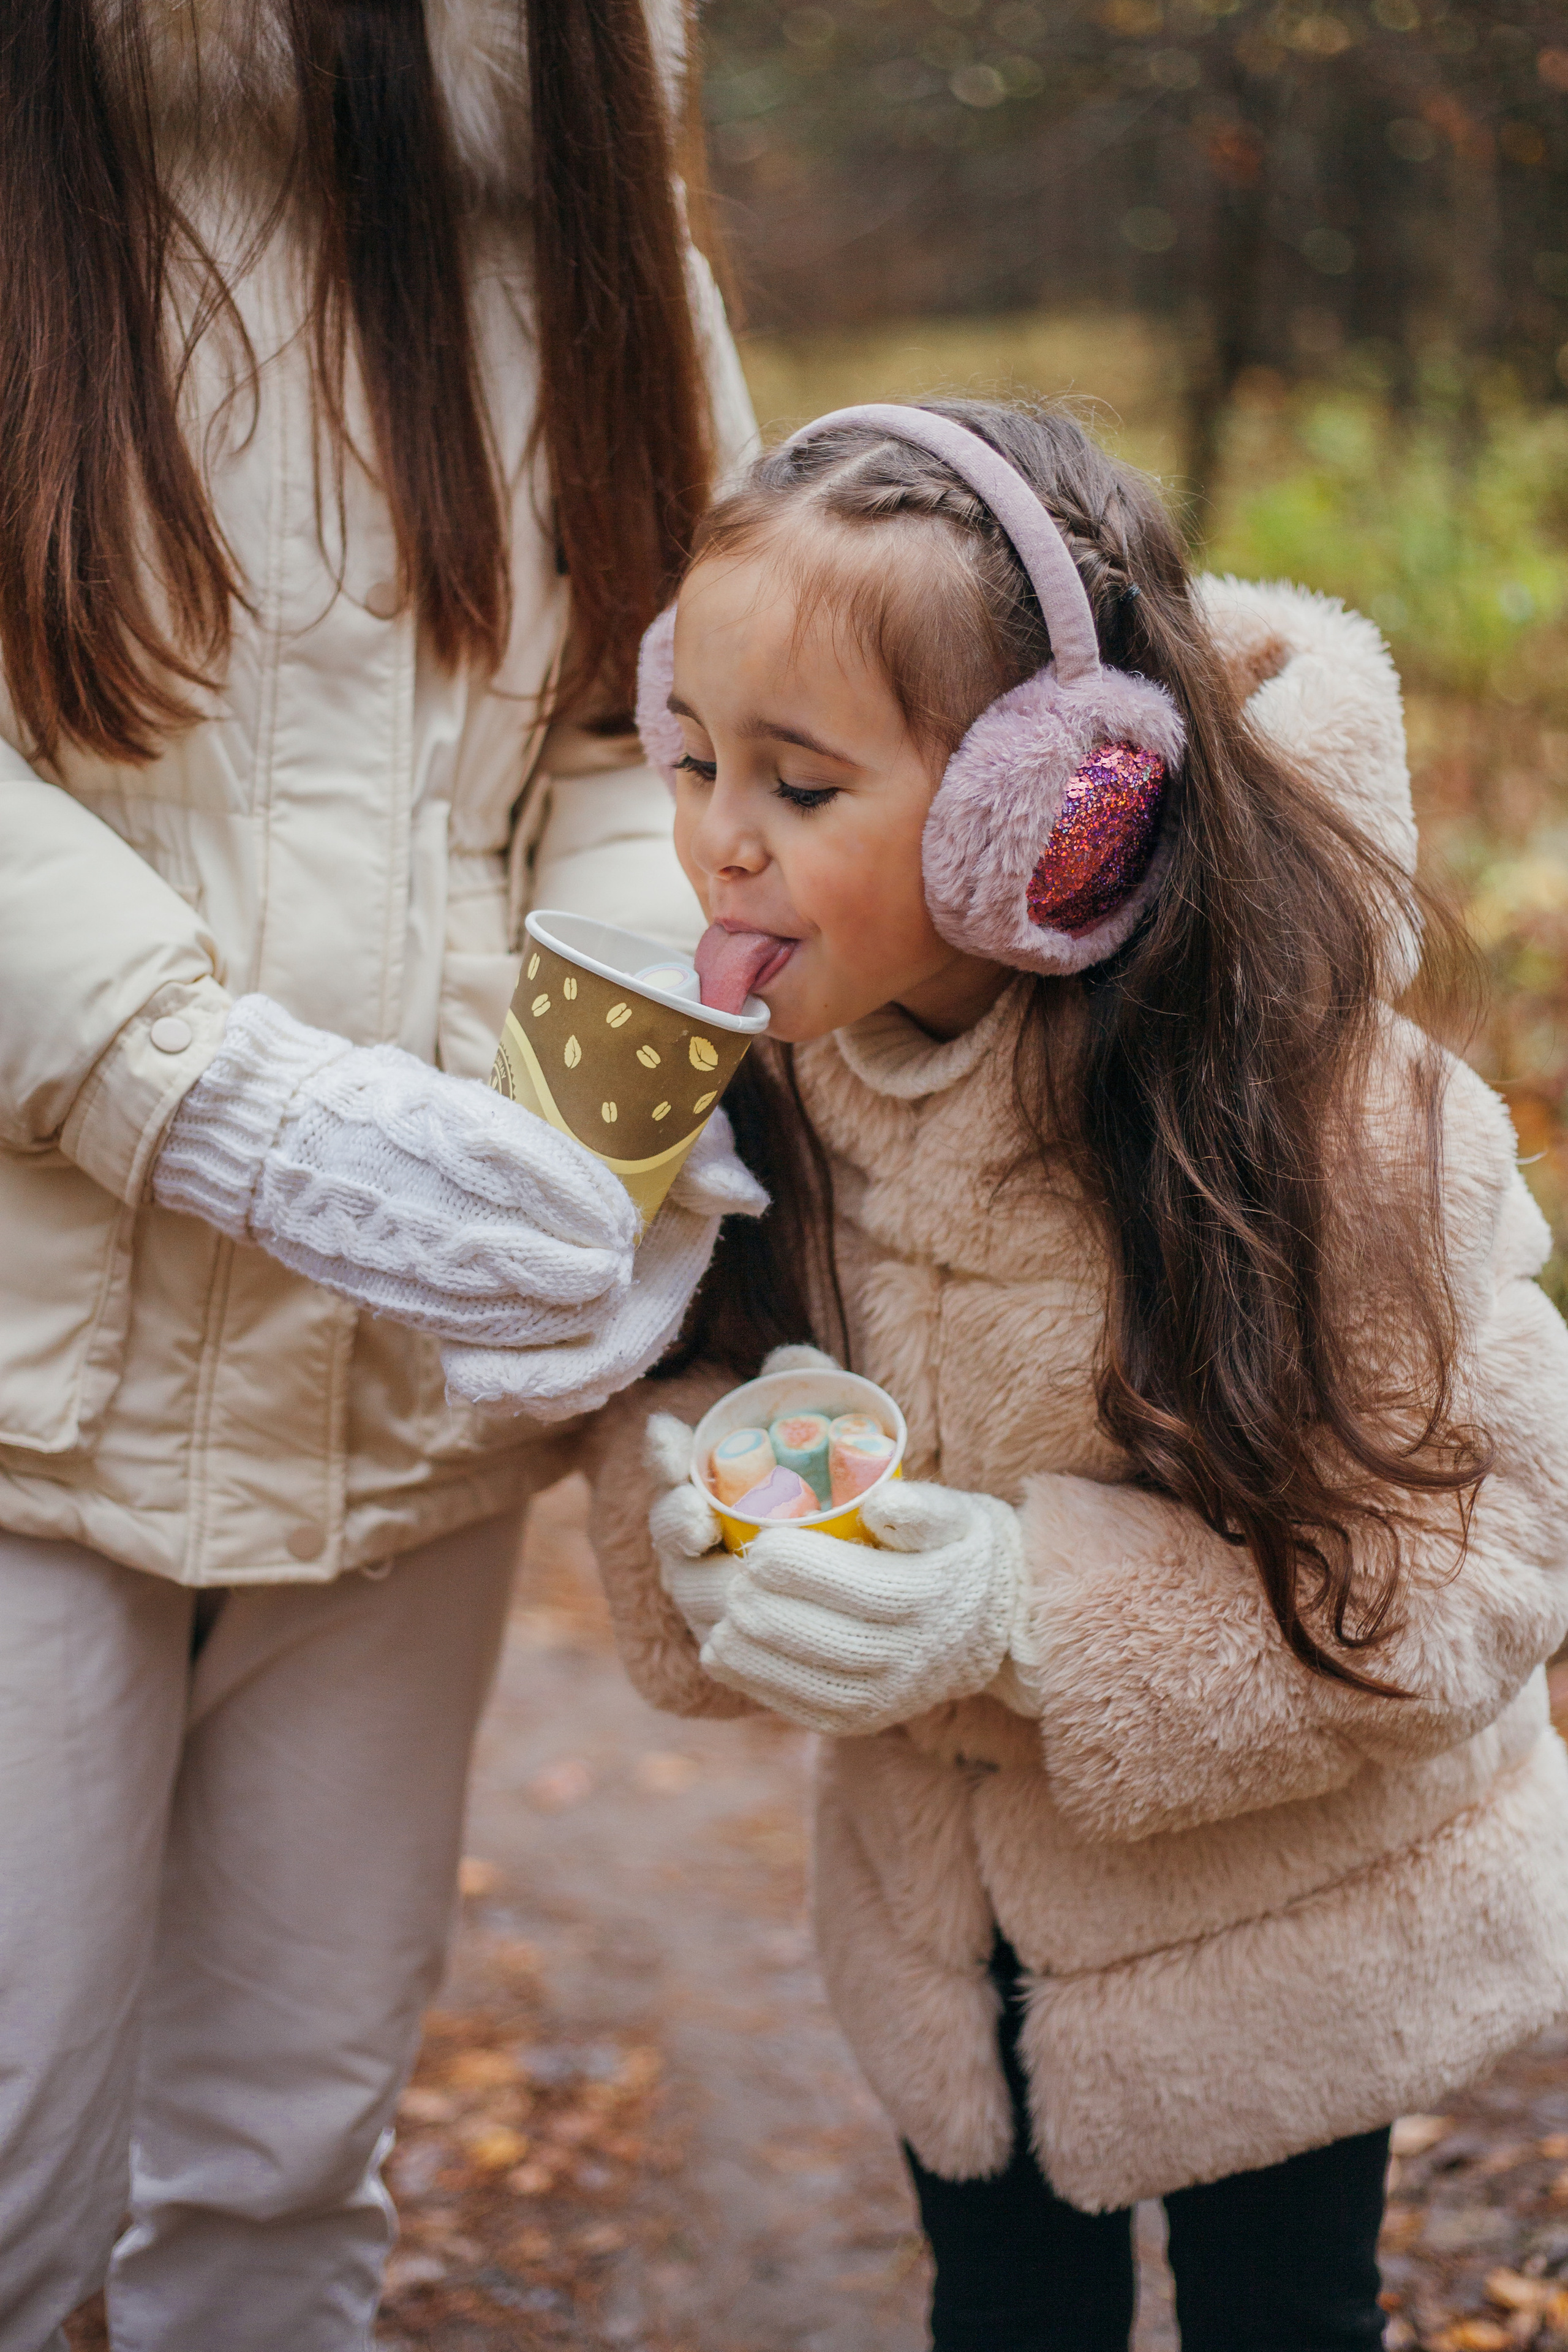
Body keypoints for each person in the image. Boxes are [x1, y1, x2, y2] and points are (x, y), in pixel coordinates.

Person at [585, 398, 1568, 2350]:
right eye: (693, 758)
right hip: (952, 1939)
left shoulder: (1331, 1116)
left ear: (1049, 810)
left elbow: (1485, 1557)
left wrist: (1020, 1607)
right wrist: (692, 1510)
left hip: (1280, 1934)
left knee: (1282, 2317)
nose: (716, 837)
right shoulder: (767, 1071)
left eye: (797, 787)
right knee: (1000, 2314)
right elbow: (699, 1385)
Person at [0, 5, 764, 2345]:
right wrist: (200, 1089)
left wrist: (595, 1142)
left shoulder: (578, 130)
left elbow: (673, 722)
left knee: (287, 2160)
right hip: (19, 1371)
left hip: (394, 1402)